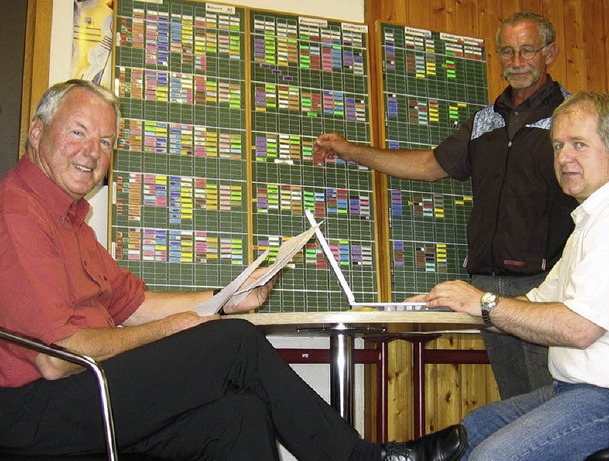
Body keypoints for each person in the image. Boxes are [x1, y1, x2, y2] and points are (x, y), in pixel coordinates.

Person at [0, 79, 470, 460]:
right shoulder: (18, 212)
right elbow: (57, 356)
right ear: (37, 133)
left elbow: (134, 303)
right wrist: (173, 330)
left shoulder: (74, 222)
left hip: (85, 391)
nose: (93, 152)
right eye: (78, 132)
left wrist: (227, 296)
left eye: (105, 141)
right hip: (38, 410)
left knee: (239, 416)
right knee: (234, 342)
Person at [313, 11, 578, 400]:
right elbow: (428, 165)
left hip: (547, 287)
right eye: (507, 51)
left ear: (549, 53)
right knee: (517, 403)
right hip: (487, 286)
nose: (517, 62)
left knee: (554, 404)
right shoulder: (485, 121)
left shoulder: (572, 115)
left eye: (527, 51)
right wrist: (349, 151)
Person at [410, 91, 609, 460]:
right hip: (576, 389)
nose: (564, 158)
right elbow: (535, 305)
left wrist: (482, 302)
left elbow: (579, 328)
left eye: (579, 144)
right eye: (558, 145)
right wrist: (449, 308)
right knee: (471, 432)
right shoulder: (590, 221)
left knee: (493, 456)